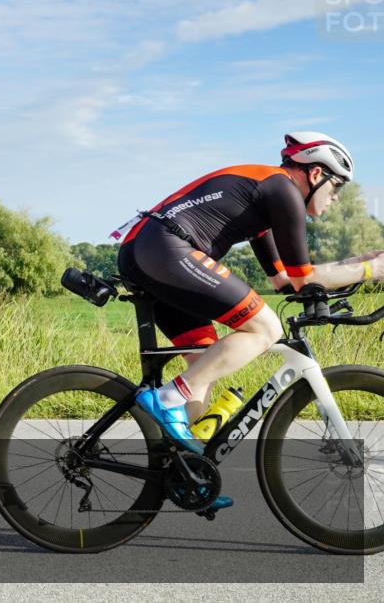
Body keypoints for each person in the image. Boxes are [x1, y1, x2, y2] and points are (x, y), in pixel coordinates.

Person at [116, 131, 384, 510]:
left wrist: (356, 264)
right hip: (163, 248)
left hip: (149, 250)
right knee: (265, 327)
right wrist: (372, 269)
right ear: (314, 174)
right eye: (336, 185)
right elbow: (306, 278)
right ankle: (168, 398)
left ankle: (186, 474)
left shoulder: (266, 201)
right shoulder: (283, 191)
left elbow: (287, 279)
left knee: (204, 361)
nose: (336, 196)